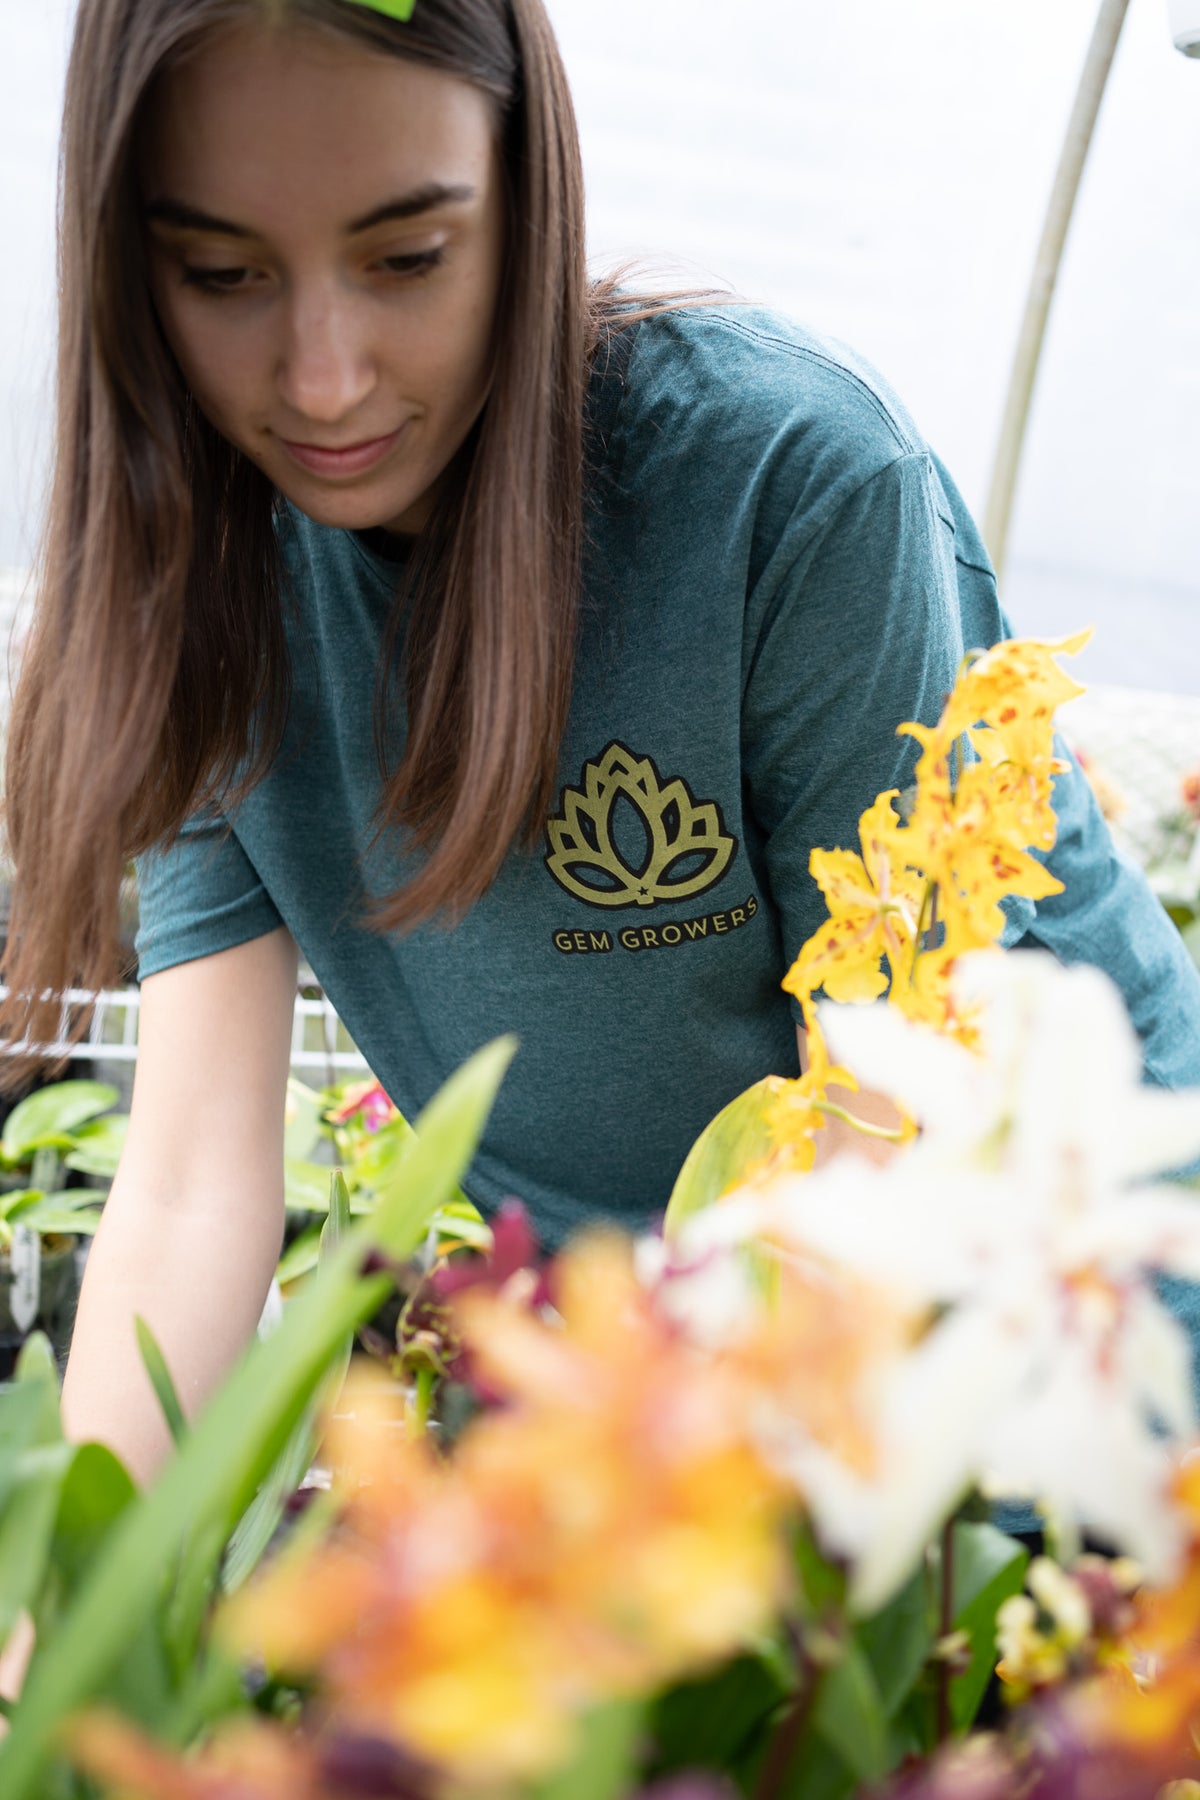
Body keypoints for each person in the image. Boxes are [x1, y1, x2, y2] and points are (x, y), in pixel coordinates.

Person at [3, 0, 1199, 1488]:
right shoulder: (198, 587)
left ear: (527, 193)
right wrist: (55, 1640)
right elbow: (188, 1185)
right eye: (224, 274)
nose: (323, 378)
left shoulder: (787, 487)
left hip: (1055, 1311)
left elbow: (878, 1131)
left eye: (407, 258)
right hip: (638, 1370)